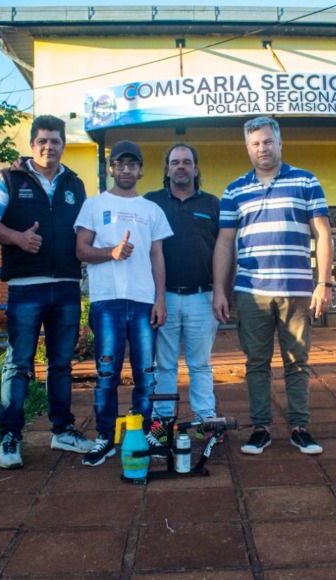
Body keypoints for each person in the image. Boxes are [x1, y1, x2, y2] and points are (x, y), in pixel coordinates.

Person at [213, 116, 333, 456]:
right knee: (256, 363)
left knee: (297, 361)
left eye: (267, 142)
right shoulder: (234, 190)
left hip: (297, 289)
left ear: (280, 143)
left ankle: (299, 427)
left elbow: (323, 233)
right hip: (251, 291)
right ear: (247, 148)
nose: (262, 148)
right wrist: (220, 290)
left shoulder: (307, 181)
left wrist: (323, 282)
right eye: (255, 144)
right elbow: (224, 243)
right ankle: (261, 428)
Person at [0, 115, 91, 469]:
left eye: (56, 141)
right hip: (25, 289)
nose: (49, 147)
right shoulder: (9, 180)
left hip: (66, 288)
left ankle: (62, 430)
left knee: (61, 364)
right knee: (18, 363)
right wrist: (17, 238)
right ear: (32, 145)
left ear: (63, 144)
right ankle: (10, 436)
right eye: (43, 140)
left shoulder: (75, 183)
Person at [75, 140, 173, 466]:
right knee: (106, 374)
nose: (127, 169)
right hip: (107, 303)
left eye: (133, 164)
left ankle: (141, 432)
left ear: (141, 170)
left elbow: (158, 256)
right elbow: (81, 250)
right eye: (121, 164)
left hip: (144, 302)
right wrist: (111, 253)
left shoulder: (152, 210)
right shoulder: (93, 205)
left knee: (146, 374)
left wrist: (160, 299)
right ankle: (105, 437)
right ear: (112, 168)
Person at [144, 143, 222, 441]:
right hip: (164, 298)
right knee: (164, 365)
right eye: (175, 162)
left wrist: (221, 293)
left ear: (196, 168)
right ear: (166, 169)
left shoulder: (212, 204)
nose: (180, 167)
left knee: (200, 364)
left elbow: (222, 253)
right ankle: (162, 423)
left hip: (203, 297)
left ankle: (206, 420)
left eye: (186, 162)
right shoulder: (151, 203)